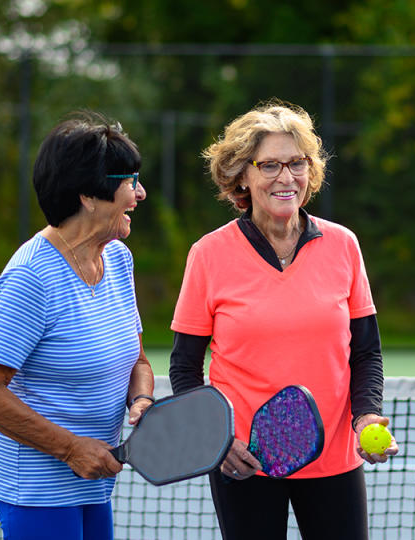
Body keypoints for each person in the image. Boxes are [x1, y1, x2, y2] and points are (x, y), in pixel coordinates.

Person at [169, 100, 398, 539]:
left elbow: (366, 351)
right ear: (242, 174)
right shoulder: (208, 255)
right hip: (243, 459)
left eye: (296, 163)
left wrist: (367, 416)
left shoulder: (343, 245)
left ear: (310, 170)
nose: (285, 177)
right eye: (269, 164)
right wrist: (215, 441)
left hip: (333, 455)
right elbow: (184, 366)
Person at [0, 111, 155, 540]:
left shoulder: (118, 259)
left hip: (95, 482)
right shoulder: (32, 279)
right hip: (37, 492)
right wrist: (69, 449)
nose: (139, 194)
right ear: (89, 194)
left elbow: (137, 359)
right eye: (130, 182)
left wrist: (140, 398)